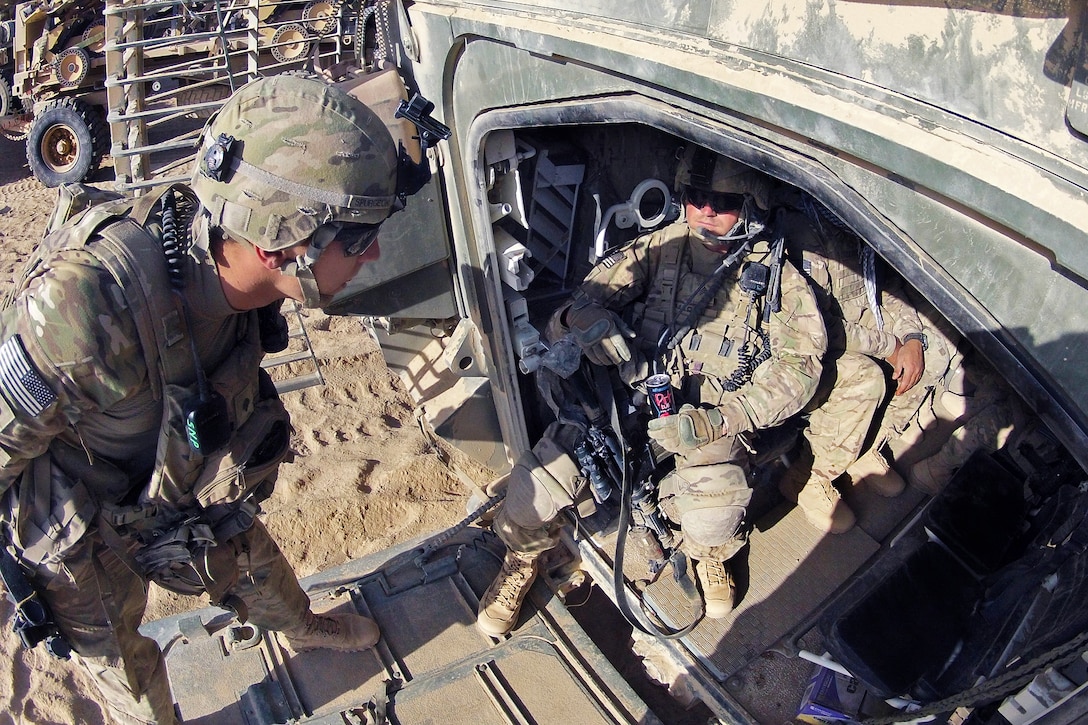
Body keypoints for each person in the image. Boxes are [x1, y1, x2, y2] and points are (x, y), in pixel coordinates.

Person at [0, 73, 431, 725]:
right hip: (81, 526)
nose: (371, 253)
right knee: (128, 670)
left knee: (251, 558)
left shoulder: (228, 227)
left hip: (168, 486)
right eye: (356, 237)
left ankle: (303, 626)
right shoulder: (84, 309)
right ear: (280, 245)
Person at [476, 146, 827, 636]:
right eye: (695, 196)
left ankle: (710, 554)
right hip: (627, 404)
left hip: (709, 418)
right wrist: (592, 324)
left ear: (753, 206)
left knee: (715, 510)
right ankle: (521, 563)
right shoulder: (661, 247)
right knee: (530, 491)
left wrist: (726, 417)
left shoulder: (778, 280)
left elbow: (801, 368)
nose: (705, 210)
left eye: (722, 200)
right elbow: (579, 304)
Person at [773, 188, 960, 532]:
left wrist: (913, 339)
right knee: (867, 377)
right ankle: (812, 475)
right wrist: (890, 345)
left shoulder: (858, 222)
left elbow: (883, 288)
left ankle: (866, 444)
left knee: (938, 343)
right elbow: (820, 327)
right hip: (815, 349)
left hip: (869, 333)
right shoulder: (803, 233)